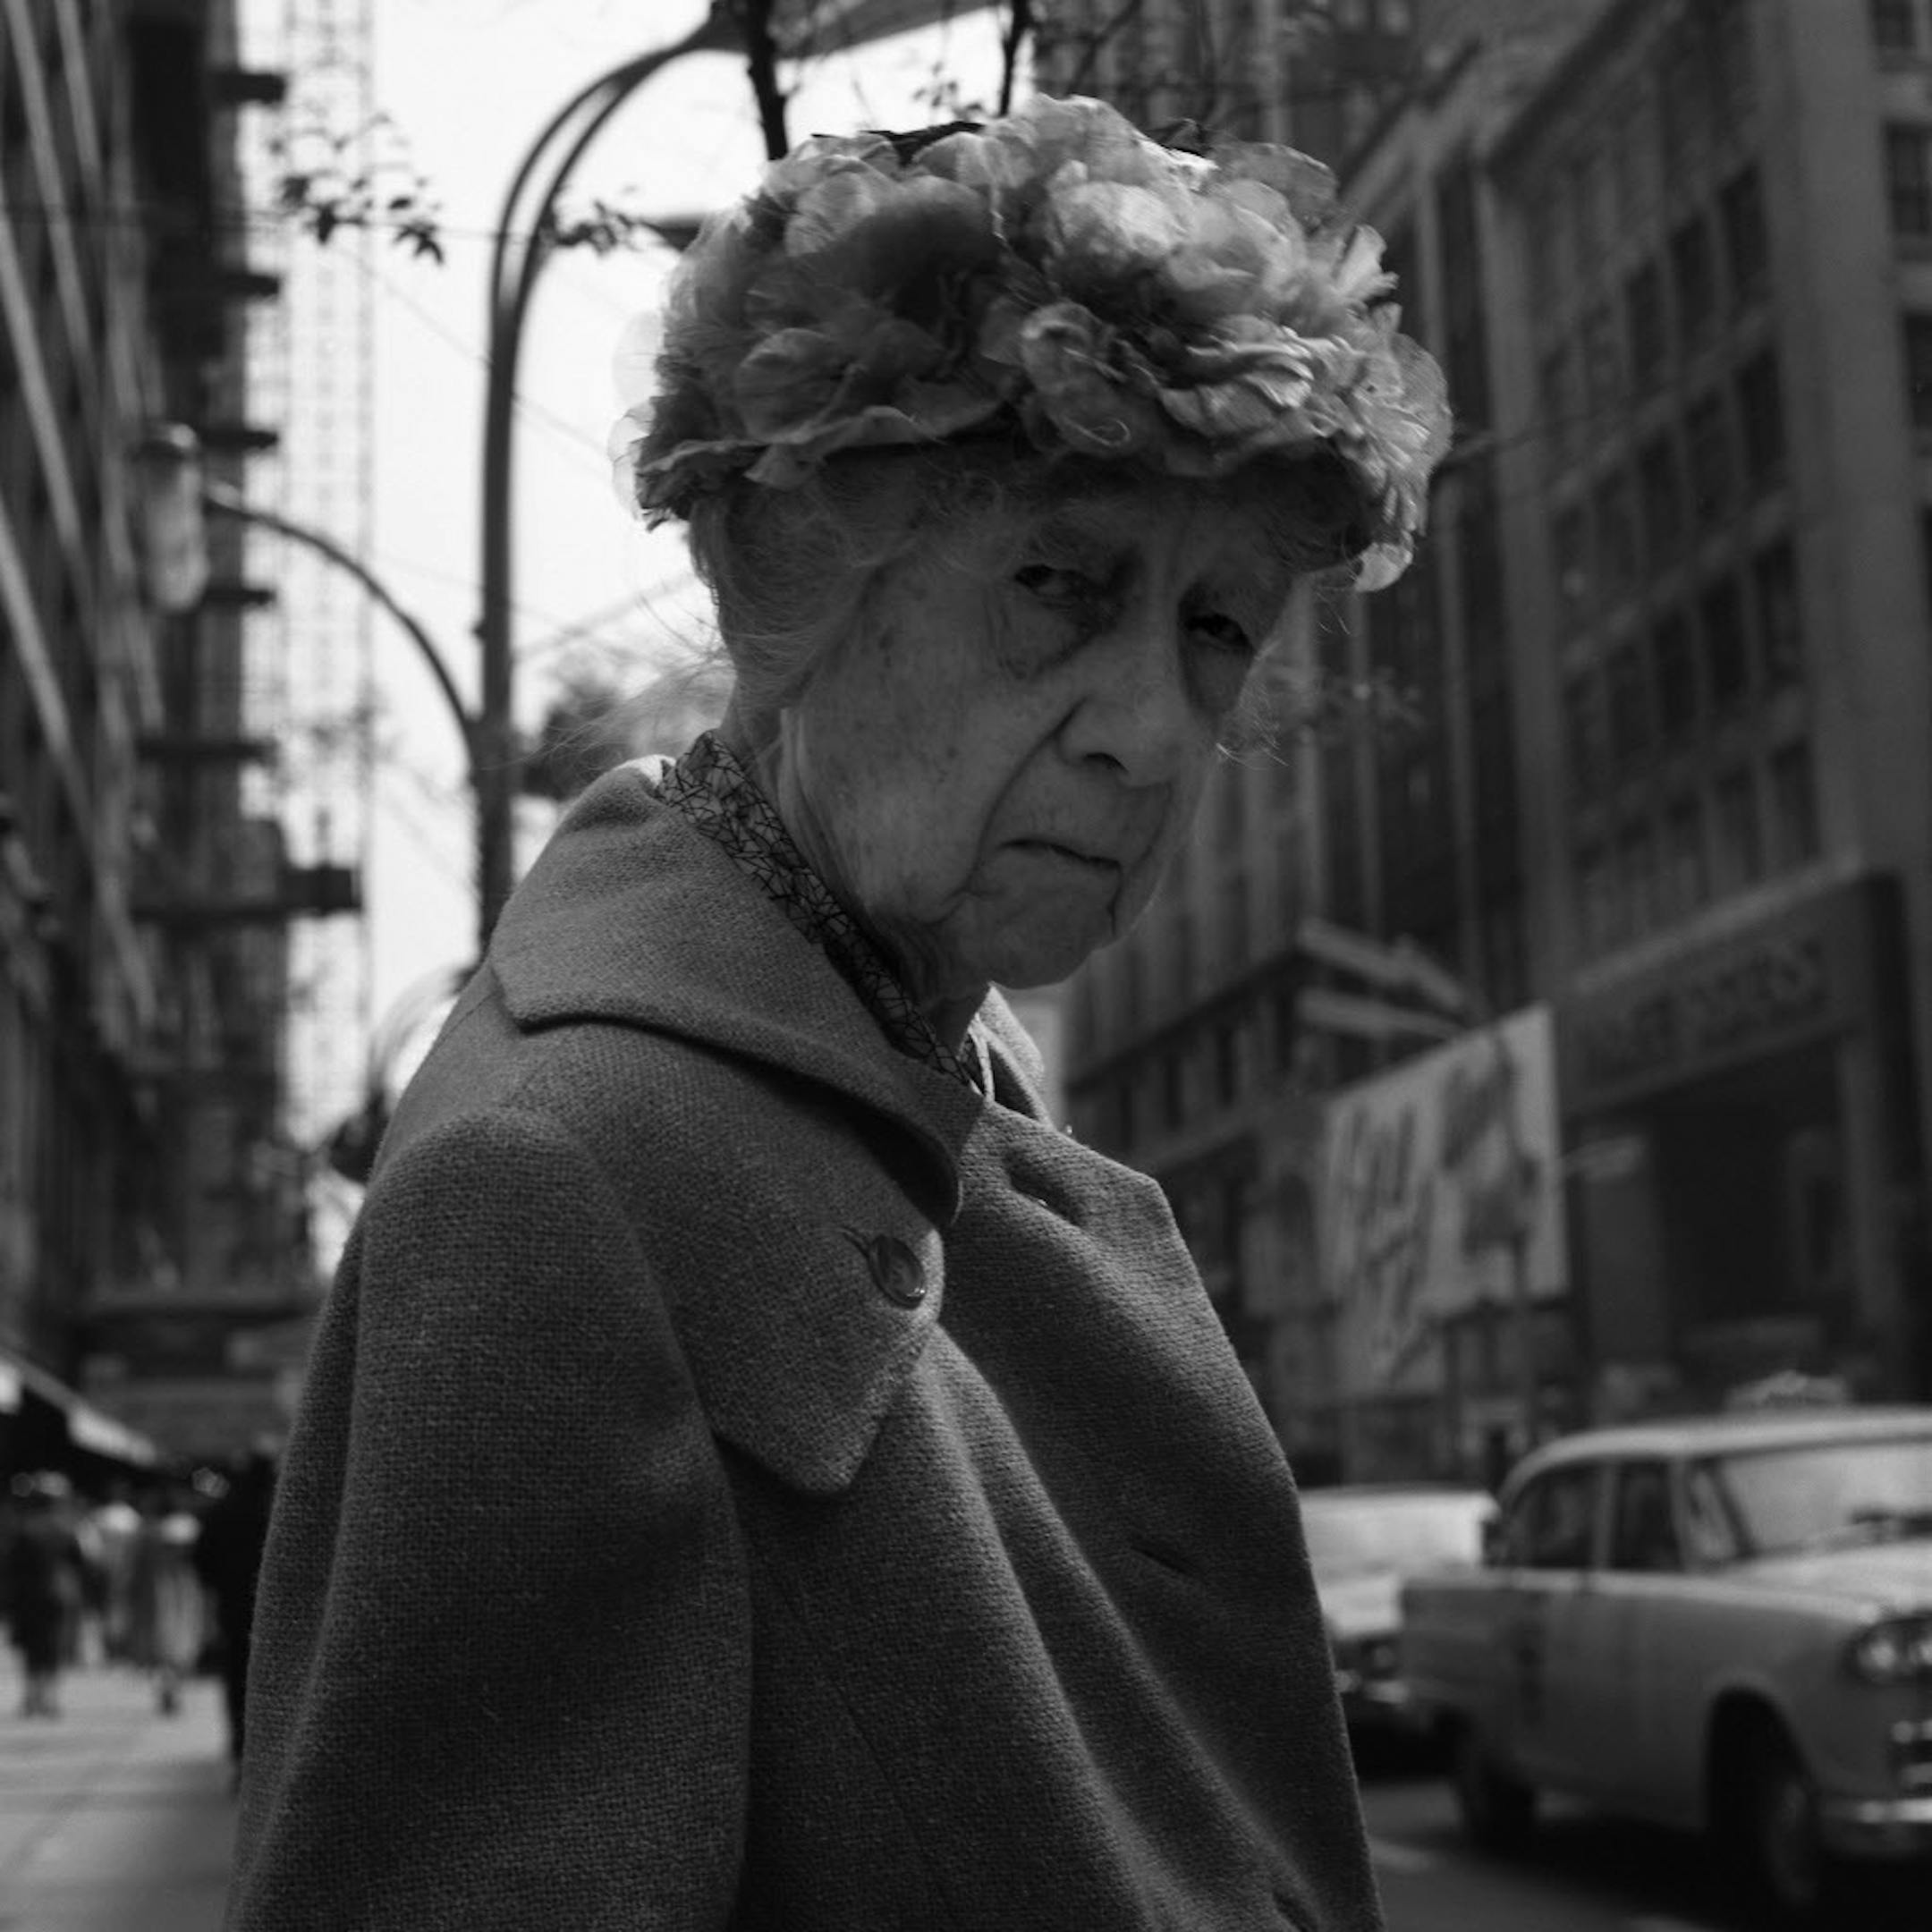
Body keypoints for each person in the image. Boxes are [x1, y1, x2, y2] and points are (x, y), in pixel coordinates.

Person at [226, 96, 1449, 1930]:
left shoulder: (922, 1049)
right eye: (1062, 581)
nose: (1150, 726)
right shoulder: (554, 1188)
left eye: (1217, 628)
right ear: (788, 574)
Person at [193, 1449, 275, 1778]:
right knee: (268, 1683)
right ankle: (264, 1754)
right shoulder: (273, 1512)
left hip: (232, 1608)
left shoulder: (220, 1513)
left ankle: (241, 1751)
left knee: (236, 1680)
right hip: (270, 1616)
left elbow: (202, 1562)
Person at [3, 1471, 89, 1717]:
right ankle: (49, 1698)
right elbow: (82, 1563)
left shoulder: (25, 1530)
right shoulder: (66, 1529)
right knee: (54, 1647)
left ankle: (32, 1697)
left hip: (28, 1596)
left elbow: (10, 1566)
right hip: (59, 1595)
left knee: (31, 1648)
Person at [128, 1480, 206, 1716]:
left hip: (183, 1591)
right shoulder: (162, 1530)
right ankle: (169, 1689)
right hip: (168, 1592)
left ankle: (172, 1689)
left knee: (178, 1642)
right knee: (167, 1642)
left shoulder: (178, 1528)